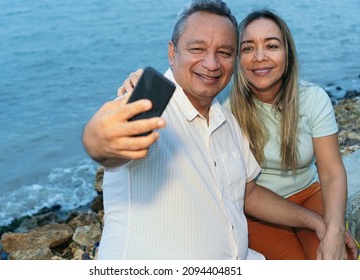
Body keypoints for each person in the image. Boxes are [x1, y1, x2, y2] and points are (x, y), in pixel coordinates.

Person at [82, 0, 327, 260]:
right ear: (172, 52)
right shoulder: (150, 106)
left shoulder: (227, 121)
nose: (211, 63)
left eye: (224, 52)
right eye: (197, 48)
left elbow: (249, 192)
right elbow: (109, 144)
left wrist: (315, 221)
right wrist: (98, 140)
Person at [227, 9, 358, 260]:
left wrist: (334, 229)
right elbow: (248, 193)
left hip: (310, 195)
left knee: (336, 260)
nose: (260, 57)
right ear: (237, 58)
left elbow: (331, 171)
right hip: (258, 211)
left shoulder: (313, 98)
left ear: (287, 53)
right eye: (248, 48)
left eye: (272, 45)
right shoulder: (228, 112)